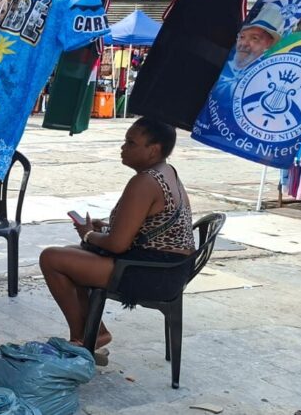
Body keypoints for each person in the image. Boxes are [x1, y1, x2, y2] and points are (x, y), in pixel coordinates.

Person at [38, 117, 195, 351]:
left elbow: (118, 245)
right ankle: (93, 332)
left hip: (154, 273)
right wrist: (105, 227)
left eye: (131, 143)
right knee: (69, 255)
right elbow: (146, 227)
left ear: (153, 150)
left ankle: (84, 337)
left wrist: (88, 235)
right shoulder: (165, 171)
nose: (123, 147)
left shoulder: (145, 181)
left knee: (52, 258)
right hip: (171, 268)